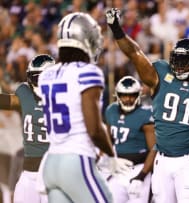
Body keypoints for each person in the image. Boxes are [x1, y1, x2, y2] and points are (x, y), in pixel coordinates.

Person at [106, 8, 189, 203]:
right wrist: (116, 29)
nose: (179, 66)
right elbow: (134, 52)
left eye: (185, 61)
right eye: (178, 60)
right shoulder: (161, 75)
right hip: (162, 159)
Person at [38, 12, 119, 203]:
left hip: (50, 163)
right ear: (85, 40)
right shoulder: (87, 73)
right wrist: (110, 153)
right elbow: (94, 129)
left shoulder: (46, 75)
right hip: (76, 161)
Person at [0, 54, 55, 203]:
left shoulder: (62, 97)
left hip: (53, 174)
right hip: (29, 173)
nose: (37, 82)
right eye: (34, 77)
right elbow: (6, 101)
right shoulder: (25, 93)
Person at [101, 75, 156, 203]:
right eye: (124, 95)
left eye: (132, 95)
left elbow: (154, 148)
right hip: (118, 168)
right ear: (117, 95)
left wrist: (142, 175)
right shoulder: (111, 110)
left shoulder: (146, 114)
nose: (128, 99)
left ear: (138, 95)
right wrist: (106, 161)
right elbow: (108, 141)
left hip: (138, 168)